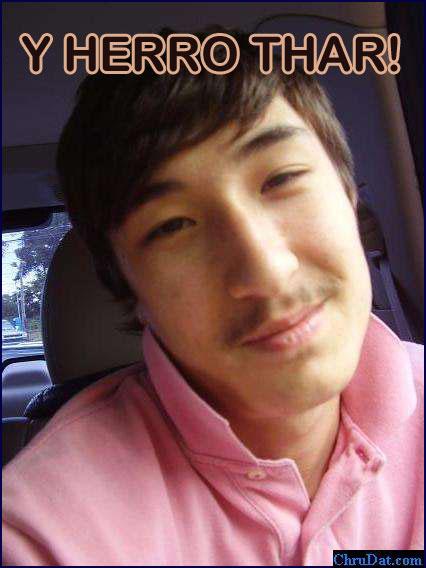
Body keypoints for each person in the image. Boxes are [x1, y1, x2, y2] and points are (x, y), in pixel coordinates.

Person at [3, 30, 423, 566]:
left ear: (348, 195)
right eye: (173, 226)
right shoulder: (43, 536)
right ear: (129, 291)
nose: (266, 271)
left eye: (282, 179)